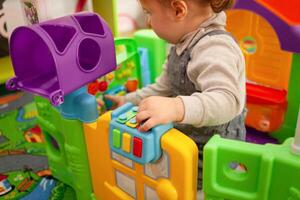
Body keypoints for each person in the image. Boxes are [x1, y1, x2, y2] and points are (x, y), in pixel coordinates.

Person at [106, 0, 246, 192]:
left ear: (178, 10)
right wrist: (127, 101)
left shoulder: (215, 48)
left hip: (212, 153)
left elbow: (227, 100)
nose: (147, 22)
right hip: (186, 142)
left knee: (193, 188)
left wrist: (176, 107)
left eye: (149, 13)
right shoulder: (183, 41)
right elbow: (162, 88)